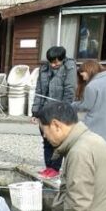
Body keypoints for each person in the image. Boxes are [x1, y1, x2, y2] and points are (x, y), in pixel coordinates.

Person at [32, 46, 77, 179]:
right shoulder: (44, 69)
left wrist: (62, 111)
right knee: (46, 139)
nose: (53, 65)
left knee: (57, 141)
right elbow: (39, 91)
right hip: (45, 110)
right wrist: (35, 112)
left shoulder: (69, 68)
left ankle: (55, 168)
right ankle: (48, 167)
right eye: (51, 62)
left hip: (59, 110)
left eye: (56, 62)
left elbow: (70, 91)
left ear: (62, 59)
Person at [73, 60, 106, 153]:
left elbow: (86, 105)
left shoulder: (92, 86)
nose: (83, 78)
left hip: (95, 126)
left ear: (89, 70)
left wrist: (73, 105)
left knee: (93, 154)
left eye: (83, 74)